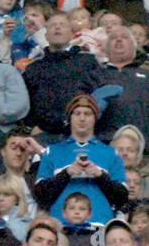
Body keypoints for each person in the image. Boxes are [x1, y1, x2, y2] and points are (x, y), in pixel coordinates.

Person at [34, 94, 127, 224]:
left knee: (98, 244)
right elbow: (41, 196)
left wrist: (100, 175)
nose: (82, 118)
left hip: (100, 226)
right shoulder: (52, 152)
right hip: (60, 226)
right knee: (62, 245)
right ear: (69, 118)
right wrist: (66, 173)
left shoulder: (111, 153)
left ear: (95, 119)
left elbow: (122, 197)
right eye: (77, 113)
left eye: (88, 114)